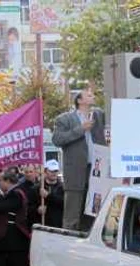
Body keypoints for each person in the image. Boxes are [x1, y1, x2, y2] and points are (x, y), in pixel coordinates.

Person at [52, 88, 106, 231]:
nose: (93, 96)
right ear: (79, 101)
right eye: (89, 95)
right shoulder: (65, 119)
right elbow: (57, 139)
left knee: (93, 210)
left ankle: (90, 235)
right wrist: (81, 129)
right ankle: (69, 239)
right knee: (73, 211)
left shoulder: (98, 115)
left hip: (96, 169)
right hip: (75, 171)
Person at [34, 160, 65, 227]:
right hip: (42, 225)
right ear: (45, 171)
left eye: (56, 171)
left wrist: (48, 196)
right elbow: (29, 205)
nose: (54, 173)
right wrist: (37, 209)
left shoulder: (63, 188)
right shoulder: (37, 187)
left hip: (58, 225)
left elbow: (64, 203)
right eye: (51, 171)